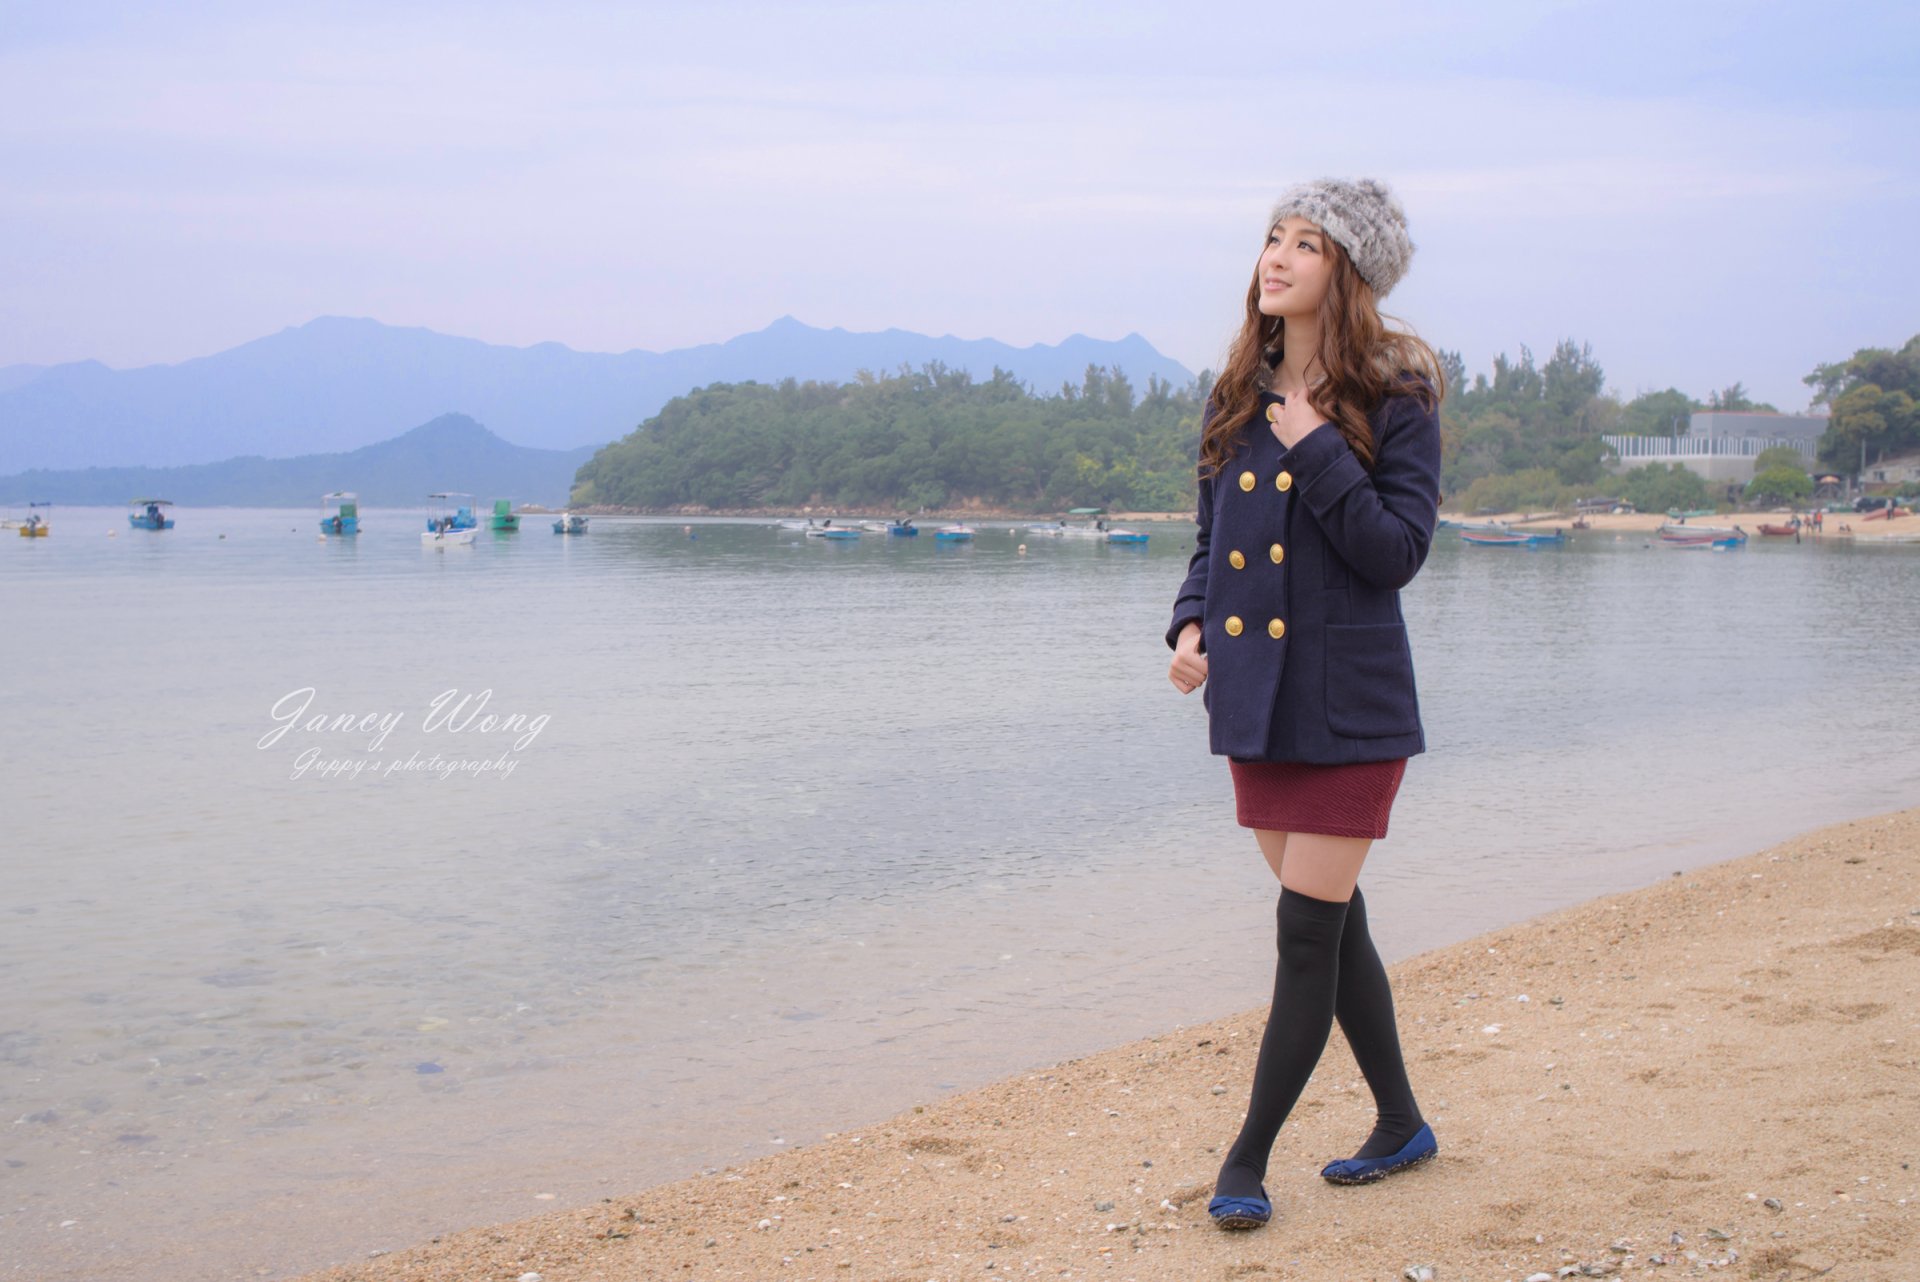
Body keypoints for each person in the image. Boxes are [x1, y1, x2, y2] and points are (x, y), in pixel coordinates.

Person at [1165, 177, 1445, 1232]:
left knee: (1301, 936)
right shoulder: (1235, 391)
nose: (1276, 258)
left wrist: (1316, 441)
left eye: (1307, 243)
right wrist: (1191, 628)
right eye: (1272, 237)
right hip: (1257, 705)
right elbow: (1206, 547)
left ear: (1350, 274)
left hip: (1353, 706)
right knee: (1330, 926)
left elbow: (1396, 553)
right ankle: (1403, 1120)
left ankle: (1244, 1159)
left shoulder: (1396, 398)